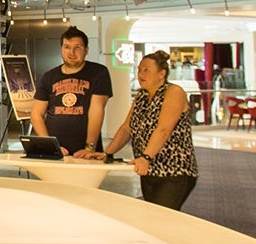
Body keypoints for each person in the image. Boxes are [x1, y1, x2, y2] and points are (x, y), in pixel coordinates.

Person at [77, 51, 197, 209]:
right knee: (153, 215)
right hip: (149, 171)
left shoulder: (174, 92)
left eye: (146, 70)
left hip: (174, 171)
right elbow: (126, 128)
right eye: (139, 70)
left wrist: (146, 157)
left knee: (163, 216)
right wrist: (107, 153)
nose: (141, 74)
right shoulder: (141, 96)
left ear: (162, 74)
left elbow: (164, 130)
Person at [30, 27, 112, 156]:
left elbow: (97, 110)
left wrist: (90, 147)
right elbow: (36, 114)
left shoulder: (98, 73)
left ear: (86, 50)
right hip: (56, 150)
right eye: (67, 47)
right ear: (61, 49)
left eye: (77, 47)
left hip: (86, 151)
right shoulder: (49, 76)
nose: (72, 52)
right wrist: (50, 146)